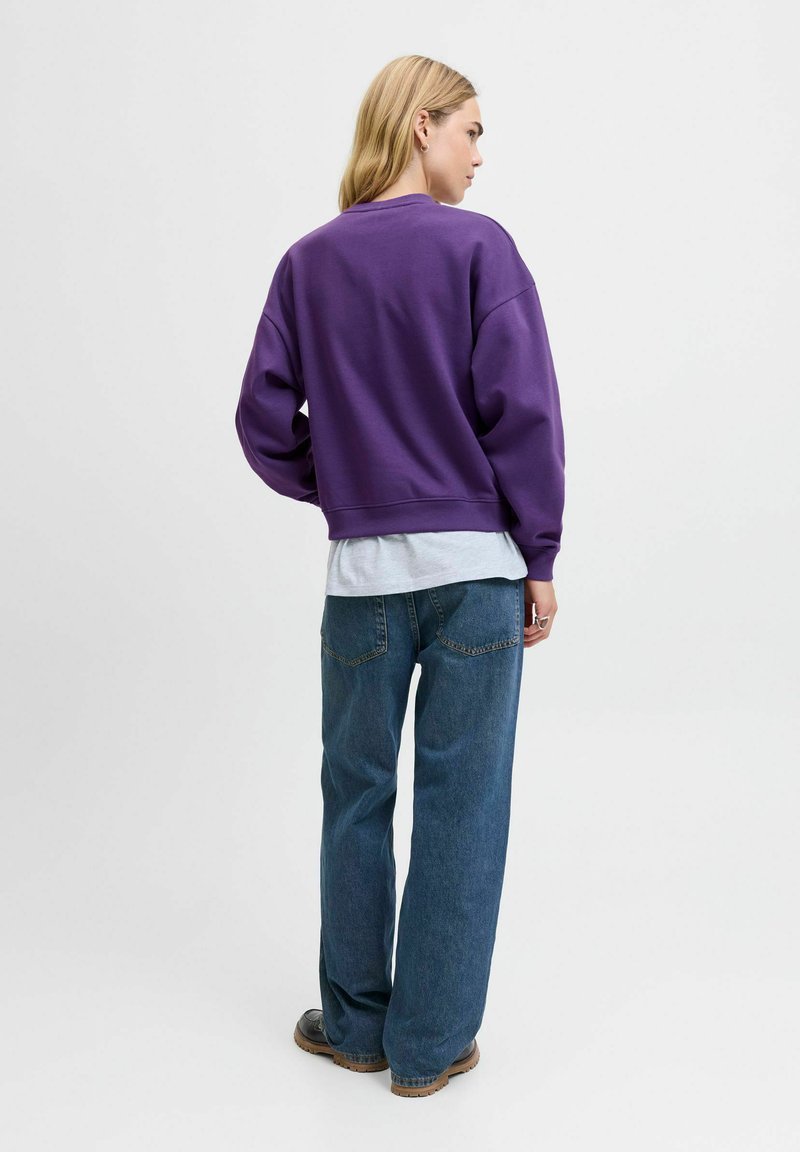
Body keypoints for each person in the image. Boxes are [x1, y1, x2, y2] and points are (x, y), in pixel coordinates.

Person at [234, 53, 566, 1097]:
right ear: (422, 125)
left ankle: (353, 1025)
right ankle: (427, 1048)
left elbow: (260, 420)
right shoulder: (478, 248)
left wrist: (346, 485)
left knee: (354, 799)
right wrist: (540, 553)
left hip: (361, 587)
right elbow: (523, 413)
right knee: (463, 805)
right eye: (471, 130)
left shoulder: (308, 263)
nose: (479, 155)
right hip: (475, 575)